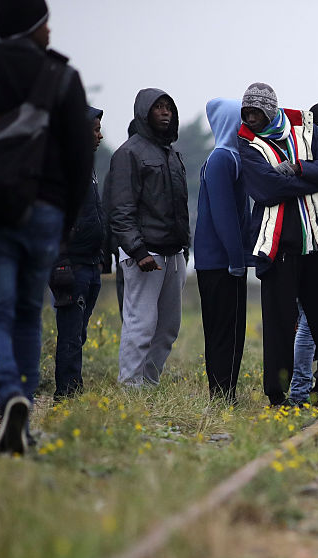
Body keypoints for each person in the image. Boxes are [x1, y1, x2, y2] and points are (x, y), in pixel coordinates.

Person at [0, 0, 91, 453]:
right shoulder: (62, 78)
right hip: (46, 211)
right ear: (34, 26)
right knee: (26, 314)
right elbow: (81, 159)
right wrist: (67, 220)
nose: (51, 31)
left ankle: (8, 392)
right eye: (46, 22)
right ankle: (23, 409)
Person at [237, 83, 318, 410]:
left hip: (317, 243)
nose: (251, 118)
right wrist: (313, 183)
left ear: (271, 110)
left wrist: (299, 169)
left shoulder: (308, 130)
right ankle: (278, 398)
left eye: (257, 112)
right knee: (279, 323)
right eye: (247, 112)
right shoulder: (246, 140)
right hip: (279, 248)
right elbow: (266, 188)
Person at [106, 88, 189, 389]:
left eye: (169, 107)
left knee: (168, 327)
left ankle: (148, 386)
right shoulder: (128, 153)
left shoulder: (172, 154)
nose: (165, 112)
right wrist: (138, 250)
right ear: (144, 112)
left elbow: (181, 207)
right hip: (145, 255)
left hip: (174, 255)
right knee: (141, 324)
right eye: (158, 108)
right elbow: (121, 209)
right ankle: (130, 388)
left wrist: (185, 247)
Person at [193, 98, 252, 404]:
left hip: (222, 260)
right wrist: (236, 258)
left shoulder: (231, 157)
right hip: (221, 263)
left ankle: (224, 392)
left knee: (230, 329)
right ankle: (222, 395)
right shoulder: (221, 160)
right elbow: (225, 214)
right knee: (223, 330)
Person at [49, 105, 107, 400]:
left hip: (90, 262)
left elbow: (95, 214)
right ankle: (66, 394)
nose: (99, 135)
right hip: (70, 264)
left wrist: (102, 258)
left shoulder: (87, 166)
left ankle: (73, 387)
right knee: (70, 333)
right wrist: (60, 263)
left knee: (79, 333)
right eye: (94, 129)